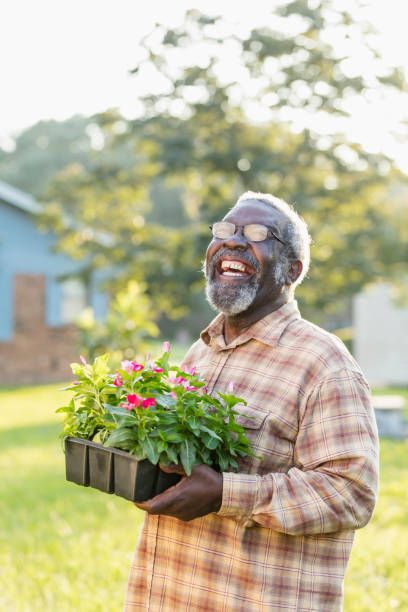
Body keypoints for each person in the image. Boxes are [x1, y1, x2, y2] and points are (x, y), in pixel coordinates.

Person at [125, 191, 379, 611]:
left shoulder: (323, 363)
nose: (234, 241)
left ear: (292, 271)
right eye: (225, 230)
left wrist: (225, 492)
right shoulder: (202, 352)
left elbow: (351, 493)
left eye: (259, 233)